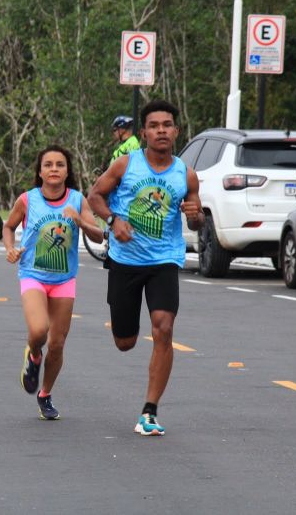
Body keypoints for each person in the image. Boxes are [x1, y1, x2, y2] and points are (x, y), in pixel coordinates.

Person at [88, 100, 204, 436]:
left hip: (164, 260)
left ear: (177, 131)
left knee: (163, 328)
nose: (161, 131)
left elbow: (196, 223)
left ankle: (149, 412)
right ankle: (126, 332)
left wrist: (196, 216)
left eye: (167, 125)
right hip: (125, 260)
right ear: (144, 133)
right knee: (125, 341)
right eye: (154, 125)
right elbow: (96, 195)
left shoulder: (186, 174)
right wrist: (113, 220)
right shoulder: (126, 165)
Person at [3, 145, 105, 420]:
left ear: (67, 171)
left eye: (60, 165)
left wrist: (81, 223)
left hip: (64, 279)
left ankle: (45, 394)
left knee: (57, 343)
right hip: (33, 274)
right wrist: (9, 248)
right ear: (40, 171)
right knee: (39, 331)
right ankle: (33, 355)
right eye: (48, 165)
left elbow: (99, 236)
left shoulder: (77, 199)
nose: (54, 169)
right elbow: (8, 226)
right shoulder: (27, 200)